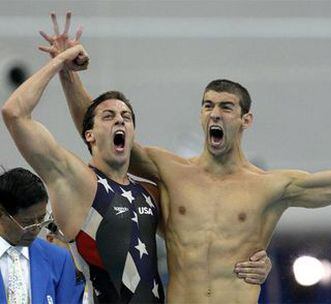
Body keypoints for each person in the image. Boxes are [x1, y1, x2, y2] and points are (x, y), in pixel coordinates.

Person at [42, 12, 331, 303]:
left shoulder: (272, 186)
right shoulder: (170, 171)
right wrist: (66, 74)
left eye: (225, 107)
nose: (214, 114)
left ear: (245, 119)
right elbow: (98, 132)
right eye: (207, 106)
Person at [2, 41, 271, 303]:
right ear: (89, 135)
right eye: (108, 116)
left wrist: (257, 263)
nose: (119, 119)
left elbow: (206, 241)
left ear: (132, 133)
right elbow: (14, 113)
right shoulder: (77, 182)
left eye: (126, 116)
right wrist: (59, 64)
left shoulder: (150, 193)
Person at [0, 167, 84, 303]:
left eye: (41, 219)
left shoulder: (60, 260)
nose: (36, 229)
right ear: (2, 214)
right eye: (27, 223)